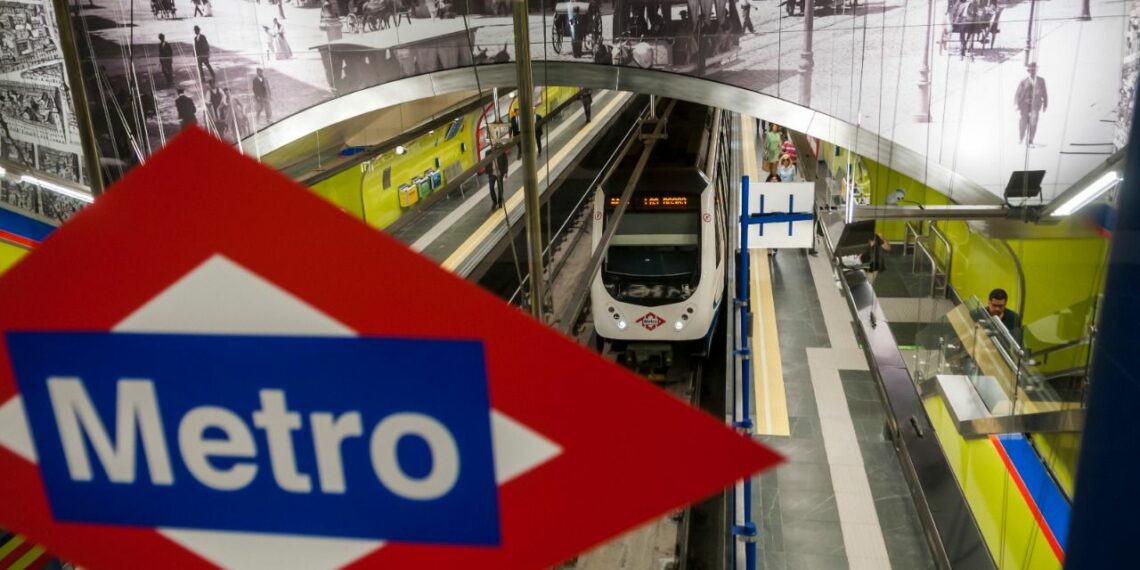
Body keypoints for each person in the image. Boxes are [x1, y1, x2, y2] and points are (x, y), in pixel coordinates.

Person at [1015, 63, 1048, 147]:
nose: (1032, 72)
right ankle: (1021, 138)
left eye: (1034, 70)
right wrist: (1016, 104)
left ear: (1036, 71)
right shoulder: (1023, 81)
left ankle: (1030, 140)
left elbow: (1044, 93)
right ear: (1028, 71)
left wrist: (1045, 104)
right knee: (1023, 122)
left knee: (1033, 122)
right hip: (1024, 105)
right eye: (1030, 70)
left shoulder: (1041, 81)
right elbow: (1017, 93)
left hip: (1035, 105)